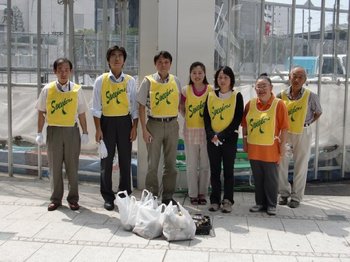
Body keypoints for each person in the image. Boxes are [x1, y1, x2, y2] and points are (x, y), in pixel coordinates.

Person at [35, 58, 89, 211]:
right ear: (55, 72)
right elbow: (41, 112)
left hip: (72, 131)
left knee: (72, 166)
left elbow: (82, 113)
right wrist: (39, 132)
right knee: (55, 166)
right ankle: (55, 199)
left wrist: (85, 132)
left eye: (66, 70)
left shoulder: (77, 90)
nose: (63, 73)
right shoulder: (47, 89)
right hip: (54, 131)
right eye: (60, 70)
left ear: (71, 71)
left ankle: (73, 199)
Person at [91, 45, 138, 211]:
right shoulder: (100, 80)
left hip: (125, 123)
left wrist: (134, 127)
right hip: (107, 123)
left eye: (120, 56)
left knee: (125, 160)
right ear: (108, 60)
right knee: (106, 161)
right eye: (113, 56)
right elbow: (96, 107)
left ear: (124, 60)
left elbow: (134, 108)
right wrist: (98, 129)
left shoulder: (130, 81)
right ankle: (108, 196)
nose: (117, 59)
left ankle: (124, 195)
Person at [137, 51, 181, 205]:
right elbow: (141, 106)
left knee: (171, 164)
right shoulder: (147, 81)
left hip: (172, 125)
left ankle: (168, 196)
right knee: (152, 164)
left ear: (170, 64)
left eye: (166, 62)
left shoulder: (176, 80)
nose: (163, 65)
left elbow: (179, 103)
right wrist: (144, 129)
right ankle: (152, 196)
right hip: (153, 125)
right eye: (160, 62)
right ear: (155, 64)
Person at [242, 74, 289, 216]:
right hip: (254, 149)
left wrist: (282, 149)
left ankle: (271, 204)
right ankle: (259, 203)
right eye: (258, 86)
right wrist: (245, 143)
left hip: (271, 149)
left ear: (271, 88)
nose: (261, 89)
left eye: (264, 86)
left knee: (271, 179)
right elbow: (244, 125)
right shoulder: (250, 104)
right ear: (254, 88)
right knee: (258, 178)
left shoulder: (279, 104)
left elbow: (284, 128)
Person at [278, 66, 322, 208]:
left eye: (300, 77)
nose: (297, 79)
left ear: (305, 79)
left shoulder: (311, 96)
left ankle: (296, 197)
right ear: (289, 77)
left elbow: (318, 112)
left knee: (301, 165)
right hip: (285, 133)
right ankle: (284, 194)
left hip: (303, 132)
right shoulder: (281, 95)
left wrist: (307, 123)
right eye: (294, 76)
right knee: (281, 163)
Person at [203, 66, 243, 213]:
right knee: (214, 171)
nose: (223, 80)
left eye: (226, 77)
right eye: (220, 77)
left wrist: (221, 135)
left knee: (228, 171)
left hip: (229, 139)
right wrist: (211, 134)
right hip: (212, 139)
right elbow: (206, 117)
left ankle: (227, 200)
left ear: (231, 79)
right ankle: (214, 200)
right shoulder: (211, 95)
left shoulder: (237, 96)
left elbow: (237, 118)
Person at [180, 62, 212, 205]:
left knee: (205, 165)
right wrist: (188, 117)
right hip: (190, 132)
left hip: (207, 133)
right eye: (194, 73)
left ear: (204, 74)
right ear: (190, 74)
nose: (197, 75)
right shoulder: (185, 90)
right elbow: (181, 108)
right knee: (191, 165)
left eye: (200, 73)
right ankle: (193, 194)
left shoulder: (211, 90)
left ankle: (202, 193)